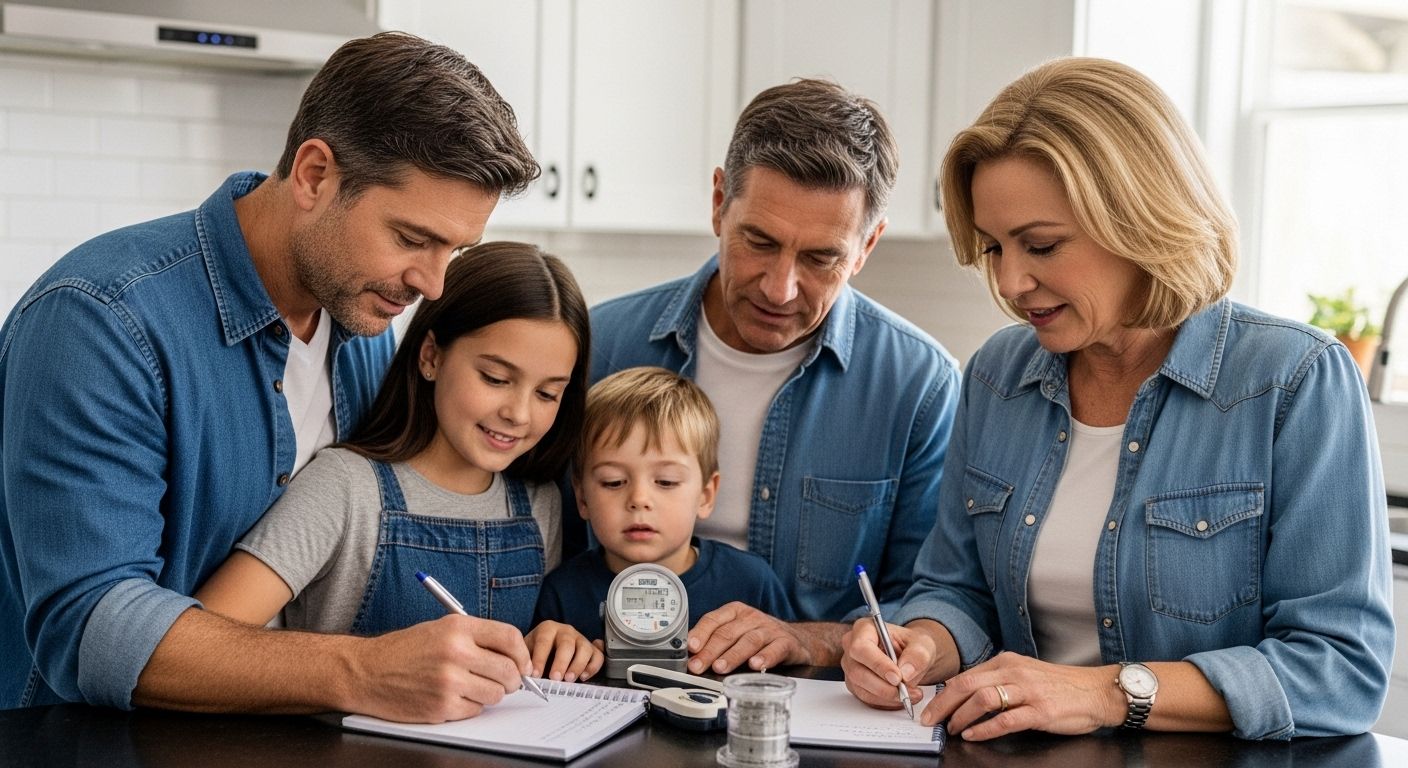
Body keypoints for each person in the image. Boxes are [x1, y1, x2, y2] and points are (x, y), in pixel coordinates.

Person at [841, 57, 1394, 741]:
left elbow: (1339, 669)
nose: (1012, 282)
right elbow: (958, 591)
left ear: (1140, 218)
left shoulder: (1293, 381)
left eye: (1040, 245)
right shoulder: (995, 377)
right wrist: (921, 643)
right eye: (993, 249)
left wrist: (1105, 693)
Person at [0, 31, 542, 721]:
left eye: (455, 250)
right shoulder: (101, 320)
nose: (432, 285)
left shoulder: (362, 321)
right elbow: (89, 629)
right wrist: (362, 670)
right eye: (411, 239)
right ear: (315, 176)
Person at [588, 79, 961, 676]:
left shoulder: (920, 385)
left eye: (821, 258)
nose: (779, 288)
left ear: (867, 246)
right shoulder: (601, 347)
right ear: (718, 203)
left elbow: (931, 603)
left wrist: (808, 640)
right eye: (759, 242)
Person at [195, 242, 602, 684]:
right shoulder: (346, 489)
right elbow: (203, 643)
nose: (519, 414)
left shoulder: (541, 504)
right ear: (430, 356)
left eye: (547, 394)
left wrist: (556, 638)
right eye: (495, 378)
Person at [533, 366, 794, 669]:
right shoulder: (562, 593)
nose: (639, 500)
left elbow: (788, 671)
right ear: (582, 498)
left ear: (706, 495)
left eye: (666, 482)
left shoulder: (752, 582)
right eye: (613, 481)